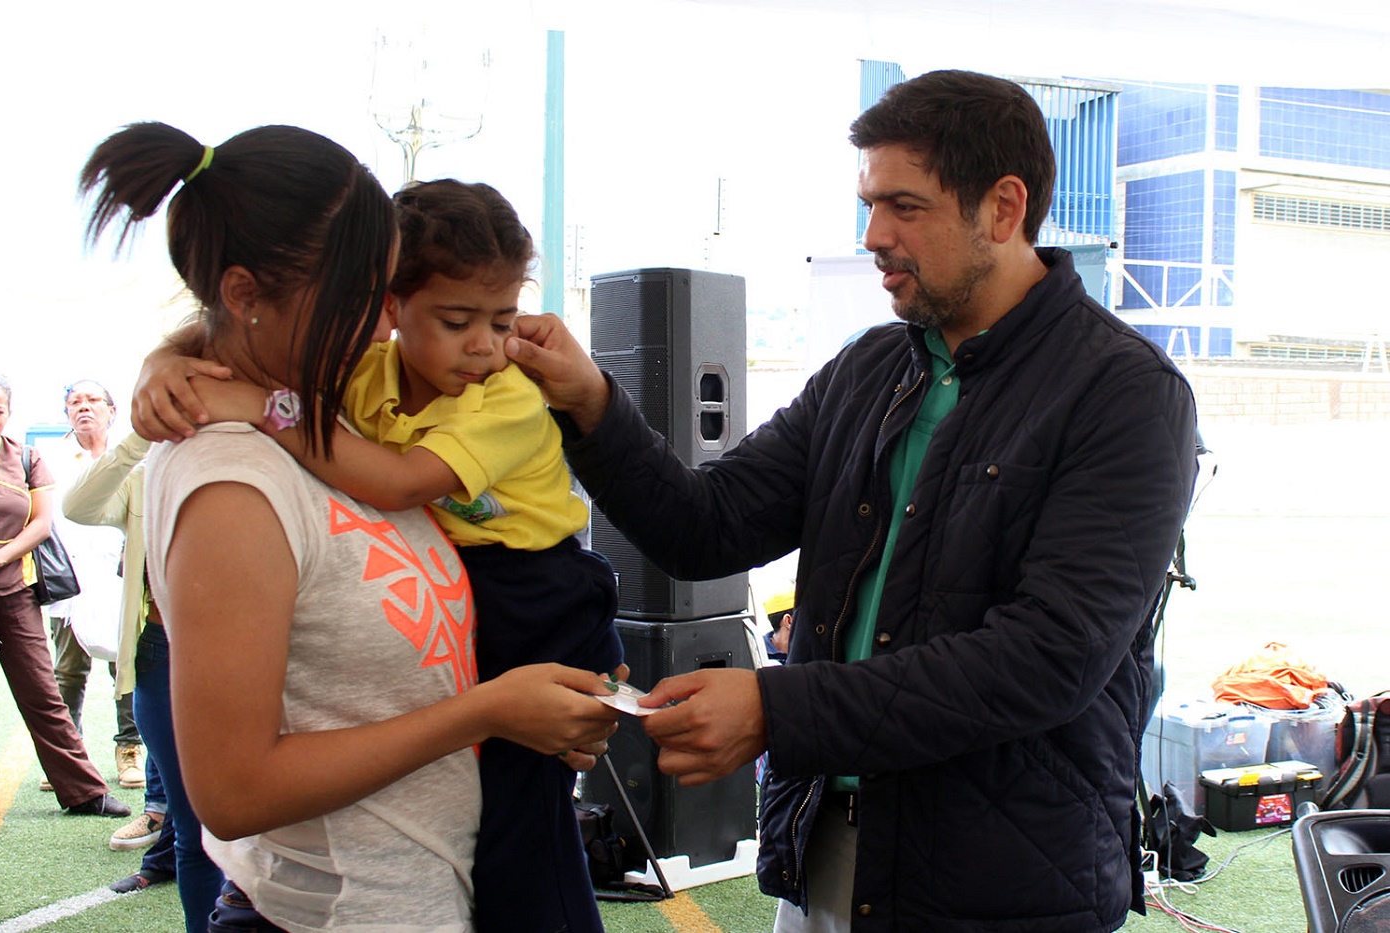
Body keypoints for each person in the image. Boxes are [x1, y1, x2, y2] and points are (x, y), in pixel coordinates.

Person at [501, 70, 1200, 932]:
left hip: (1004, 885)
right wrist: (592, 403)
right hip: (826, 853)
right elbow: (705, 525)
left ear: (1004, 208)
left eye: (904, 205)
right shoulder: (870, 368)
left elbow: (1046, 658)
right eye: (868, 204)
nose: (874, 235)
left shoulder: (1124, 393)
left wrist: (776, 708)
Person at [80, 121, 621, 932]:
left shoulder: (310, 406)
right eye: (360, 299)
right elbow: (232, 791)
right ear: (243, 294)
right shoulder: (235, 476)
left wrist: (544, 706)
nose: (380, 328)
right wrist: (489, 711)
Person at [62, 429, 224, 930]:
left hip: (241, 657)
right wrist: (136, 439)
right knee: (193, 829)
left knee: (252, 827)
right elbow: (80, 506)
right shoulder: (145, 477)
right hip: (160, 654)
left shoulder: (263, 463)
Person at [0, 372, 131, 819]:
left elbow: (41, 523)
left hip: (14, 588)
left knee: (43, 691)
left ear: (8, 414)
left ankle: (85, 792)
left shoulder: (27, 457)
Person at [39, 379, 144, 792]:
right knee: (67, 671)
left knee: (127, 667)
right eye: (74, 403)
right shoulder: (53, 458)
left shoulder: (131, 457)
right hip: (70, 581)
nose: (84, 408)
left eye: (92, 400)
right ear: (66, 414)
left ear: (111, 409)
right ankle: (70, 759)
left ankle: (130, 750)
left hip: (122, 577)